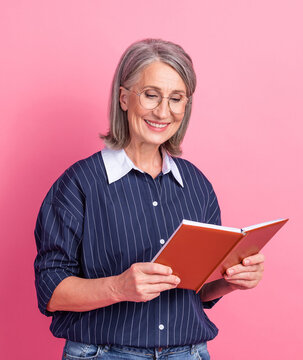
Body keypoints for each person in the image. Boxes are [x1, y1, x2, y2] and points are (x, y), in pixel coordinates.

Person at [34, 39, 265, 360]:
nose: (163, 111)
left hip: (189, 353)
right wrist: (118, 287)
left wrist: (231, 281)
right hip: (104, 354)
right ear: (124, 97)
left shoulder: (197, 185)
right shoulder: (80, 183)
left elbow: (197, 291)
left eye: (176, 99)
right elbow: (51, 291)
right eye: (151, 95)